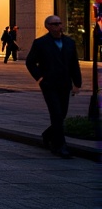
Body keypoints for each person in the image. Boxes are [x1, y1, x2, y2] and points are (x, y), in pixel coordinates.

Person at [25, 14, 82, 158]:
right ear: (48, 27)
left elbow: (74, 64)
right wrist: (40, 78)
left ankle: (47, 134)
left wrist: (77, 83)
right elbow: (30, 62)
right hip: (49, 84)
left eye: (60, 23)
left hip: (65, 83)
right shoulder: (40, 43)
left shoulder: (69, 42)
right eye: (55, 24)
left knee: (62, 114)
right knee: (56, 113)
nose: (58, 26)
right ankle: (60, 146)